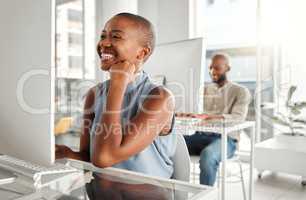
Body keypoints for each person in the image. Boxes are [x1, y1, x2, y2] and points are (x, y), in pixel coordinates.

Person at [56, 13, 176, 178]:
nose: (103, 43)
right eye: (103, 36)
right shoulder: (94, 94)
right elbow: (91, 157)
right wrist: (66, 153)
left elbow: (104, 158)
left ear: (142, 53)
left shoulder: (160, 98)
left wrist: (118, 85)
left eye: (116, 37)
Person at [179, 53, 251, 185]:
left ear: (227, 68)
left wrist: (210, 117)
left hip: (226, 139)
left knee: (208, 156)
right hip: (200, 135)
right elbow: (197, 112)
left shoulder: (241, 91)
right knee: (171, 144)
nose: (212, 71)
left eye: (217, 68)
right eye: (211, 68)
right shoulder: (204, 89)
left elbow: (238, 118)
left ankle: (204, 195)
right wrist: (187, 114)